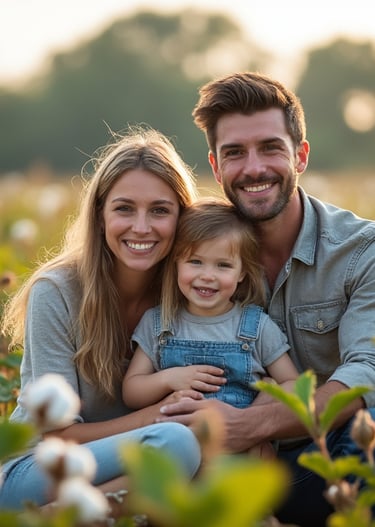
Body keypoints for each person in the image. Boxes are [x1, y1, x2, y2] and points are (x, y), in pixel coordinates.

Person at [156, 72, 375, 527]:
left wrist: (249, 424)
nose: (254, 168)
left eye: (270, 147)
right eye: (235, 153)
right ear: (216, 168)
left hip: (322, 459)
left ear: (300, 155)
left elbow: (365, 372)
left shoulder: (360, 251)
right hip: (209, 467)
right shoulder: (189, 254)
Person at [0, 126, 202, 512]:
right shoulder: (57, 291)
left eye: (160, 210)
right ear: (100, 215)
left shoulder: (190, 295)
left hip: (137, 460)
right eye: (124, 208)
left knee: (200, 452)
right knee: (176, 444)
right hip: (41, 470)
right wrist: (157, 416)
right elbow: (57, 437)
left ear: (182, 219)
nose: (141, 227)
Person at [123, 197, 298, 459]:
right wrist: (170, 378)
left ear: (242, 273)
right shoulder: (159, 324)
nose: (207, 275)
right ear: (176, 264)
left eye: (223, 265)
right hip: (178, 452)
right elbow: (131, 391)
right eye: (195, 262)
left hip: (241, 450)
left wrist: (256, 413)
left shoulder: (256, 326)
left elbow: (294, 383)